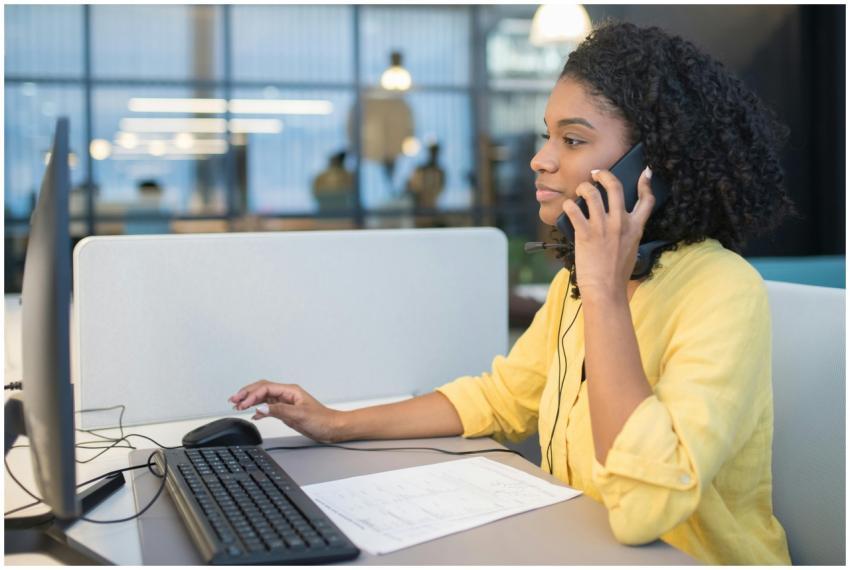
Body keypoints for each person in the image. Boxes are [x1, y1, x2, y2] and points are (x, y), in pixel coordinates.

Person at [229, 21, 794, 565]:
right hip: (577, 545)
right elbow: (500, 399)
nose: (541, 159)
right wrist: (336, 423)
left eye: (572, 139)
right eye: (545, 135)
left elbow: (646, 508)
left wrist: (603, 292)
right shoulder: (575, 288)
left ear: (650, 169)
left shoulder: (720, 290)